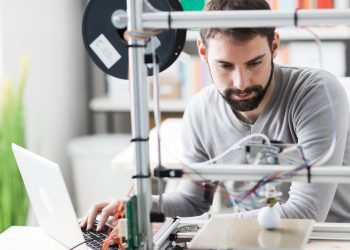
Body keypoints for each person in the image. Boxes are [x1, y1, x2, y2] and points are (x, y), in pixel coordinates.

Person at [80, 0, 350, 232]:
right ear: (202, 51)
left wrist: (200, 227)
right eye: (225, 65)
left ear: (274, 46)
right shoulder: (201, 110)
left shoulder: (315, 94)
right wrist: (137, 208)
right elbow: (192, 201)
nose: (241, 82)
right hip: (250, 240)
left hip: (326, 240)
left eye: (254, 63)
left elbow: (306, 213)